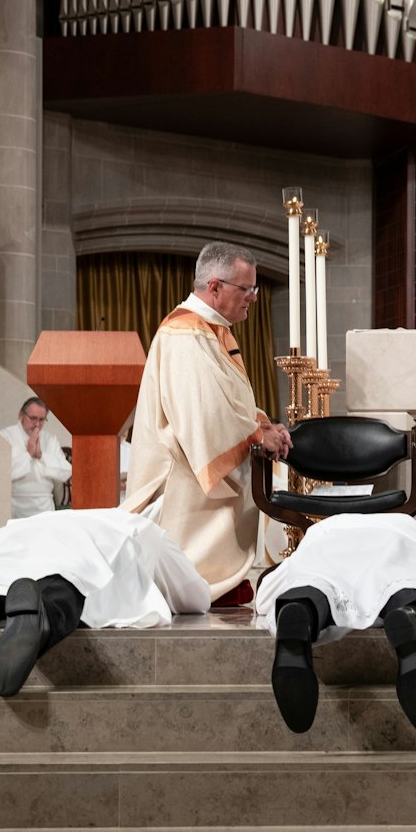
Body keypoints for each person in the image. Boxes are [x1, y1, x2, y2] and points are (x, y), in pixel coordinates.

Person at [123, 242, 292, 605]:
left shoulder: (209, 329)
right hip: (179, 482)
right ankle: (200, 584)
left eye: (254, 289)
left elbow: (232, 401)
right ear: (214, 287)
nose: (253, 298)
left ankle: (219, 582)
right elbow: (203, 413)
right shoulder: (185, 334)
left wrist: (264, 424)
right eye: (246, 289)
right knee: (185, 577)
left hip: (195, 483)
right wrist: (257, 435)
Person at [0, 508, 208, 698]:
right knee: (61, 589)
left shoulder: (41, 519)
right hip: (76, 557)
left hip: (5, 545)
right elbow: (194, 595)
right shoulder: (139, 524)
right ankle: (37, 619)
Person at [256, 513, 416, 736]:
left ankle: (302, 610)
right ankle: (409, 613)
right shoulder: (411, 527)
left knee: (316, 584)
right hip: (396, 554)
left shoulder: (320, 531)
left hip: (326, 555)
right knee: (408, 586)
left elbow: (265, 596)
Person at [0, 396, 72, 518]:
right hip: (16, 504)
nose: (37, 424)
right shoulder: (5, 436)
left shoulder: (50, 439)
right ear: (21, 415)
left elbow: (67, 471)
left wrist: (41, 456)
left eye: (41, 420)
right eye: (33, 419)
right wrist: (28, 454)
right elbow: (3, 472)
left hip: (44, 504)